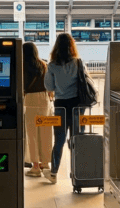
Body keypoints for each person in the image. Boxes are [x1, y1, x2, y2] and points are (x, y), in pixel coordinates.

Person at [44, 33, 86, 185]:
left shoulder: (52, 65)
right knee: (77, 140)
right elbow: (85, 82)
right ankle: (80, 173)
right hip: (77, 107)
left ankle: (54, 173)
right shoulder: (78, 62)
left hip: (61, 106)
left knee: (59, 140)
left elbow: (49, 86)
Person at [23, 42, 53, 179]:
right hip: (44, 100)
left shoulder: (22, 66)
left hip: (30, 100)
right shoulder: (43, 65)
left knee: (32, 134)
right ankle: (45, 163)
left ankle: (35, 166)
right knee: (46, 132)